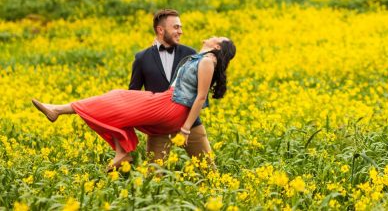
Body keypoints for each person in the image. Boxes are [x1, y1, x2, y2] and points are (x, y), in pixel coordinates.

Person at [32, 36, 236, 170]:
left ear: (217, 46)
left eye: (217, 37)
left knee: (119, 98)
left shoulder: (208, 61)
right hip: (168, 102)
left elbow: (200, 97)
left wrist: (185, 129)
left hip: (172, 106)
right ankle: (121, 153)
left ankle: (58, 110)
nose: (212, 36)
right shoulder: (198, 58)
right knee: (120, 107)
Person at [129, 9, 212, 162]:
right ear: (160, 30)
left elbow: (201, 89)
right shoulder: (142, 58)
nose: (180, 31)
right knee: (154, 177)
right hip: (159, 128)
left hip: (190, 125)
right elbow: (132, 94)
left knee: (209, 171)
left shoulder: (190, 54)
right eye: (175, 27)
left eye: (180, 27)